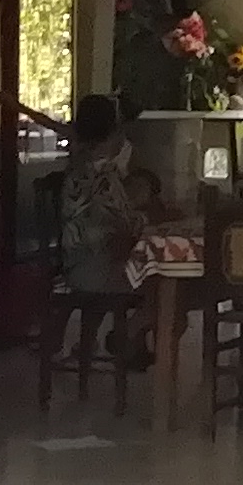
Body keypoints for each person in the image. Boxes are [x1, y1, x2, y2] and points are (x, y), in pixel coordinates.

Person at [57, 96, 162, 373]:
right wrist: (151, 218)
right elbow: (127, 225)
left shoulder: (77, 168)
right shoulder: (106, 177)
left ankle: (125, 341)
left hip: (75, 264)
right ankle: (126, 335)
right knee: (166, 287)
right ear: (113, 133)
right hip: (98, 270)